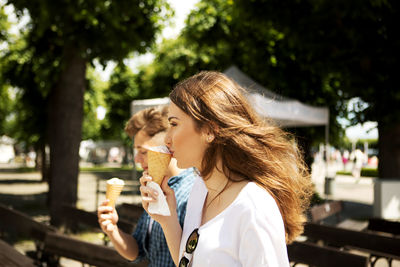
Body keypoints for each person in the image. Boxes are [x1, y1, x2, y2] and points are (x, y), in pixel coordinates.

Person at [140, 71, 313, 266]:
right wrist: (168, 220)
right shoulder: (200, 189)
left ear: (209, 131)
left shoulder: (254, 207)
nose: (167, 138)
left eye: (174, 124)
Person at [97, 106, 196, 267]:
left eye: (143, 152)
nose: (136, 159)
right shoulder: (156, 188)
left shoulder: (194, 192)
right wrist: (112, 229)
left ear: (167, 147)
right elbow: (137, 252)